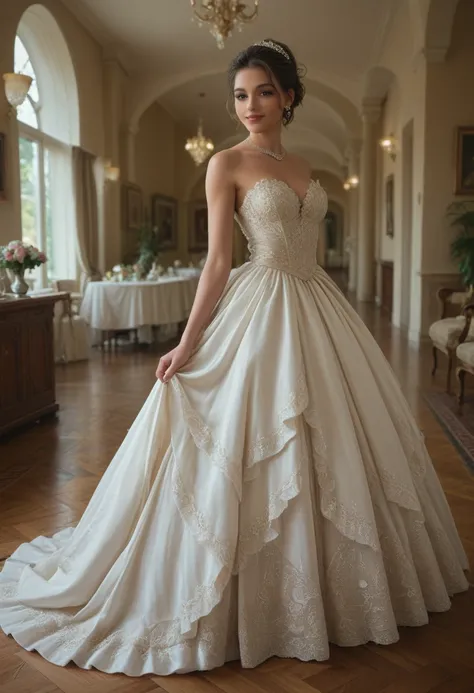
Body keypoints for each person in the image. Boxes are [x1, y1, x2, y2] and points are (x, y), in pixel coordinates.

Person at [0, 38, 469, 677]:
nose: (251, 105)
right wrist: (188, 344)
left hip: (319, 303)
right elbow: (219, 262)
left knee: (339, 437)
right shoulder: (225, 164)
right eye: (242, 95)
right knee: (251, 438)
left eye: (265, 92)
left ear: (289, 97)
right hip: (260, 302)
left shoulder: (308, 167)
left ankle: (335, 595)